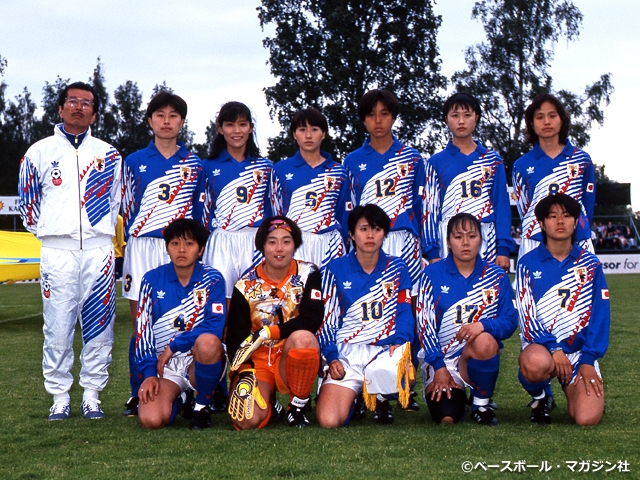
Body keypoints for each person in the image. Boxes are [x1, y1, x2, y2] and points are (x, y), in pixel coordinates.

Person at [18, 81, 122, 420]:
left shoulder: (109, 155)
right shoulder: (38, 152)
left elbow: (116, 201)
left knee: (99, 325)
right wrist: (55, 233)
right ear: (61, 108)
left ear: (94, 112)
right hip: (57, 251)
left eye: (86, 103)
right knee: (58, 326)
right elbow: (28, 207)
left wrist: (95, 233)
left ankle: (92, 394)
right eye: (72, 101)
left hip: (99, 250)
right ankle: (60, 397)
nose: (79, 107)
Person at [121, 91, 204, 416]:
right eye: (160, 115)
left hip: (181, 247)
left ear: (182, 122)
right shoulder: (134, 161)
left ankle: (191, 389)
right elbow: (126, 208)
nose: (166, 122)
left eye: (173, 116)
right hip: (143, 246)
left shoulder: (194, 163)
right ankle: (137, 390)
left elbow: (201, 210)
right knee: (141, 325)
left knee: (186, 318)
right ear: (149, 120)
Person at [200, 101, 273, 412]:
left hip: (253, 241)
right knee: (221, 313)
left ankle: (248, 379)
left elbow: (273, 210)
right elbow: (202, 212)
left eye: (243, 124)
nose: (237, 130)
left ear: (251, 128)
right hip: (222, 242)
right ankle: (213, 383)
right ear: (220, 129)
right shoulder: (208, 167)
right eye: (230, 125)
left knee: (254, 313)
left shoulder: (265, 167)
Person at [316, 205, 415, 427]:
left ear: (385, 234)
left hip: (383, 350)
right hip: (347, 353)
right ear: (351, 233)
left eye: (377, 229)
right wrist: (332, 357)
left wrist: (400, 344)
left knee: (402, 368)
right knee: (328, 421)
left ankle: (381, 399)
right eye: (363, 229)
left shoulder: (397, 268)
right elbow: (327, 320)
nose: (370, 235)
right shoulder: (334, 269)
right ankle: (357, 397)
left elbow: (404, 313)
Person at [516, 194, 609, 425]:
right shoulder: (527, 264)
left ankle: (574, 389)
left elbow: (600, 316)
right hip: (544, 349)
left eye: (566, 216)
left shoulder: (591, 264)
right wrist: (554, 348)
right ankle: (541, 397)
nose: (560, 221)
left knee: (586, 419)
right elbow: (527, 317)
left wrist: (588, 360)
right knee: (534, 364)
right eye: (553, 216)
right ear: (541, 223)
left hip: (578, 352)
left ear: (576, 222)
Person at [417, 213, 517, 426]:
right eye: (458, 237)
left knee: (485, 340)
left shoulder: (497, 276)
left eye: (472, 236)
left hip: (475, 356)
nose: (465, 242)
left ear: (481, 239)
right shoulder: (431, 274)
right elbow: (424, 325)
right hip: (441, 358)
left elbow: (510, 321)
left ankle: (481, 404)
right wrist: (439, 367)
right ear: (448, 242)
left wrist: (483, 325)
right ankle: (458, 395)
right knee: (447, 416)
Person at [226, 216, 323, 429]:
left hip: (290, 354)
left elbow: (312, 318)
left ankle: (297, 406)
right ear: (262, 245)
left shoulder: (308, 273)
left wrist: (270, 332)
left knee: (304, 338)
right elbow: (234, 338)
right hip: (259, 360)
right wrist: (245, 371)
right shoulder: (245, 285)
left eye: (286, 241)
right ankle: (270, 402)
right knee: (246, 420)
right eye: (272, 241)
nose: (279, 248)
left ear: (295, 244)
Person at [135, 218, 226, 430]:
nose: (181, 249)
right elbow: (143, 332)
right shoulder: (151, 280)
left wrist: (175, 345)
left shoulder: (212, 279)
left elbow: (214, 327)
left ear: (201, 249)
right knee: (152, 420)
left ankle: (201, 406)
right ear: (167, 248)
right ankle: (182, 399)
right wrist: (149, 374)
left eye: (189, 244)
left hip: (199, 358)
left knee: (208, 342)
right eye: (175, 243)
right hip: (165, 365)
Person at [343, 89, 427, 293]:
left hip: (403, 239)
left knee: (409, 298)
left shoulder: (412, 158)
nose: (378, 120)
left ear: (394, 117)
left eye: (384, 113)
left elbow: (421, 204)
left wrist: (421, 240)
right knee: (367, 297)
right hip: (366, 240)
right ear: (363, 119)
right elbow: (350, 206)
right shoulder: (352, 161)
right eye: (371, 114)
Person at [424, 93, 515, 269]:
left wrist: (503, 249)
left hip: (485, 236)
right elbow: (430, 210)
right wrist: (433, 251)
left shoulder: (492, 160)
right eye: (455, 115)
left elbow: (501, 206)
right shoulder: (436, 162)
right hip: (449, 237)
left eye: (467, 115)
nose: (461, 121)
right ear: (446, 119)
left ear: (476, 118)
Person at [512, 93, 596, 259]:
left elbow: (588, 203)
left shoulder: (582, 159)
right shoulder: (521, 165)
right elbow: (524, 208)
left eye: (552, 115)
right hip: (535, 239)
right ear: (531, 123)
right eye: (539, 117)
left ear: (561, 119)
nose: (547, 122)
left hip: (577, 238)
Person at [271, 108, 351, 270]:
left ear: (323, 134)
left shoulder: (338, 171)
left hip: (330, 241)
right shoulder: (280, 169)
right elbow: (275, 212)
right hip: (295, 243)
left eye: (314, 130)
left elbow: (344, 213)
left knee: (330, 293)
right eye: (302, 130)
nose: (308, 135)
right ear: (294, 134)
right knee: (296, 293)